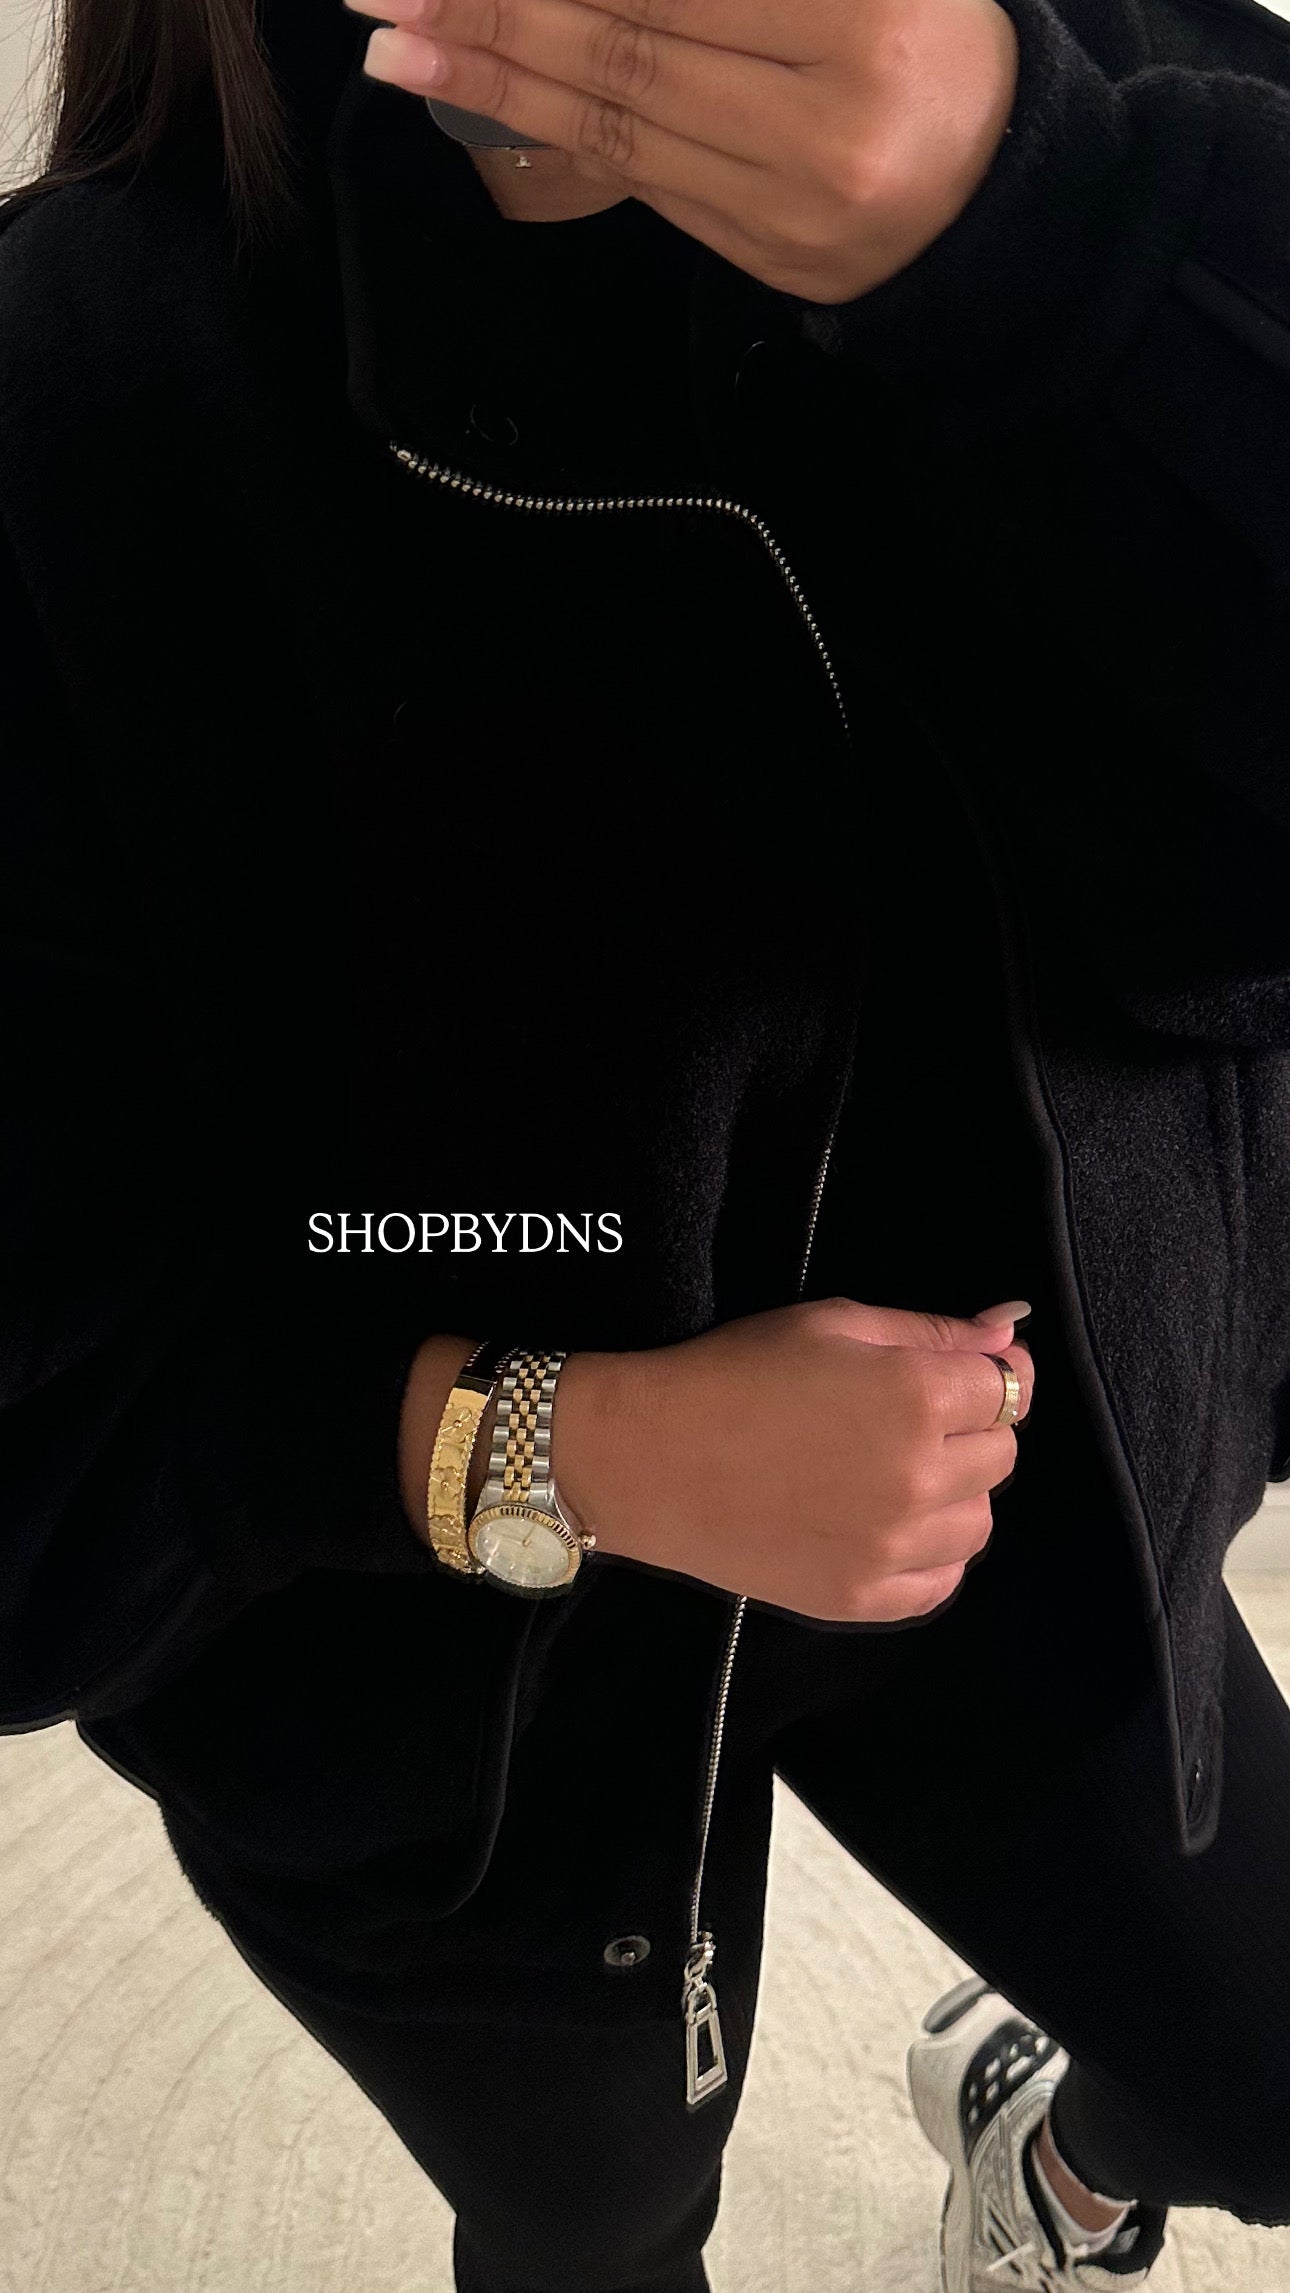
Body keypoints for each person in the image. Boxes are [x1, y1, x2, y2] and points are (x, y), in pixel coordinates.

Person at [2, 0, 1290, 2283]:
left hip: (1035, 1515)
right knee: (588, 2231)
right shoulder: (77, 381)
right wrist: (562, 1442)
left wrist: (1052, 241)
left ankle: (1053, 2154)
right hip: (444, 1704)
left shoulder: (1144, 100)